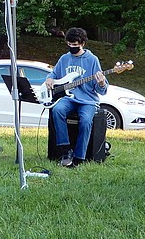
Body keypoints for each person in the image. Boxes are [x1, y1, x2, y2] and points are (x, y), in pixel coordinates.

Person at [45, 27, 108, 167]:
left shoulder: (92, 60)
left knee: (85, 121)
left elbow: (102, 90)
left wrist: (101, 82)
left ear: (83, 43)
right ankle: (65, 149)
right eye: (69, 45)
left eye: (75, 45)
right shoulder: (64, 58)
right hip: (69, 98)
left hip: (88, 100)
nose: (72, 47)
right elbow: (54, 74)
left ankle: (79, 157)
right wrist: (49, 78)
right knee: (57, 110)